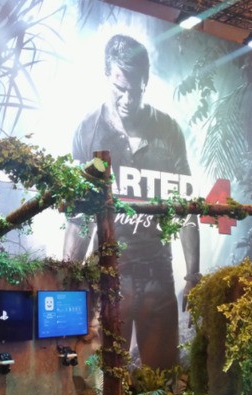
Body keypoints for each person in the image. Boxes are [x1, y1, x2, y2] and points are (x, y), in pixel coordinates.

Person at [64, 34, 200, 370]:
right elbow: (79, 216)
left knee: (162, 383)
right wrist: (68, 277)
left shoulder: (168, 131)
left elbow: (186, 209)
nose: (127, 99)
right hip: (109, 277)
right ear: (106, 76)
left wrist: (193, 276)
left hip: (158, 275)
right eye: (119, 88)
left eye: (135, 90)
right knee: (102, 380)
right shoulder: (89, 129)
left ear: (146, 82)